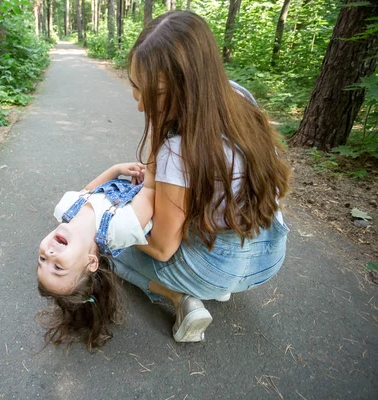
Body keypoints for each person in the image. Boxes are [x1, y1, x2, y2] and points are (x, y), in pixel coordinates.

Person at [112, 10, 291, 343]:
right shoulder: (238, 96)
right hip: (269, 252)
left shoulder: (178, 150)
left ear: (187, 86)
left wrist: (115, 223)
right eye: (136, 86)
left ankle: (180, 297)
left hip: (216, 267)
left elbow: (163, 248)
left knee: (110, 245)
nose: (141, 104)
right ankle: (214, 283)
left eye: (155, 94)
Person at [37, 162, 154, 351]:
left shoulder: (65, 209)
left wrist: (115, 170)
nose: (48, 254)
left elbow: (88, 190)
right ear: (91, 262)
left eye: (42, 260)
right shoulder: (120, 229)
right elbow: (151, 191)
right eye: (58, 268)